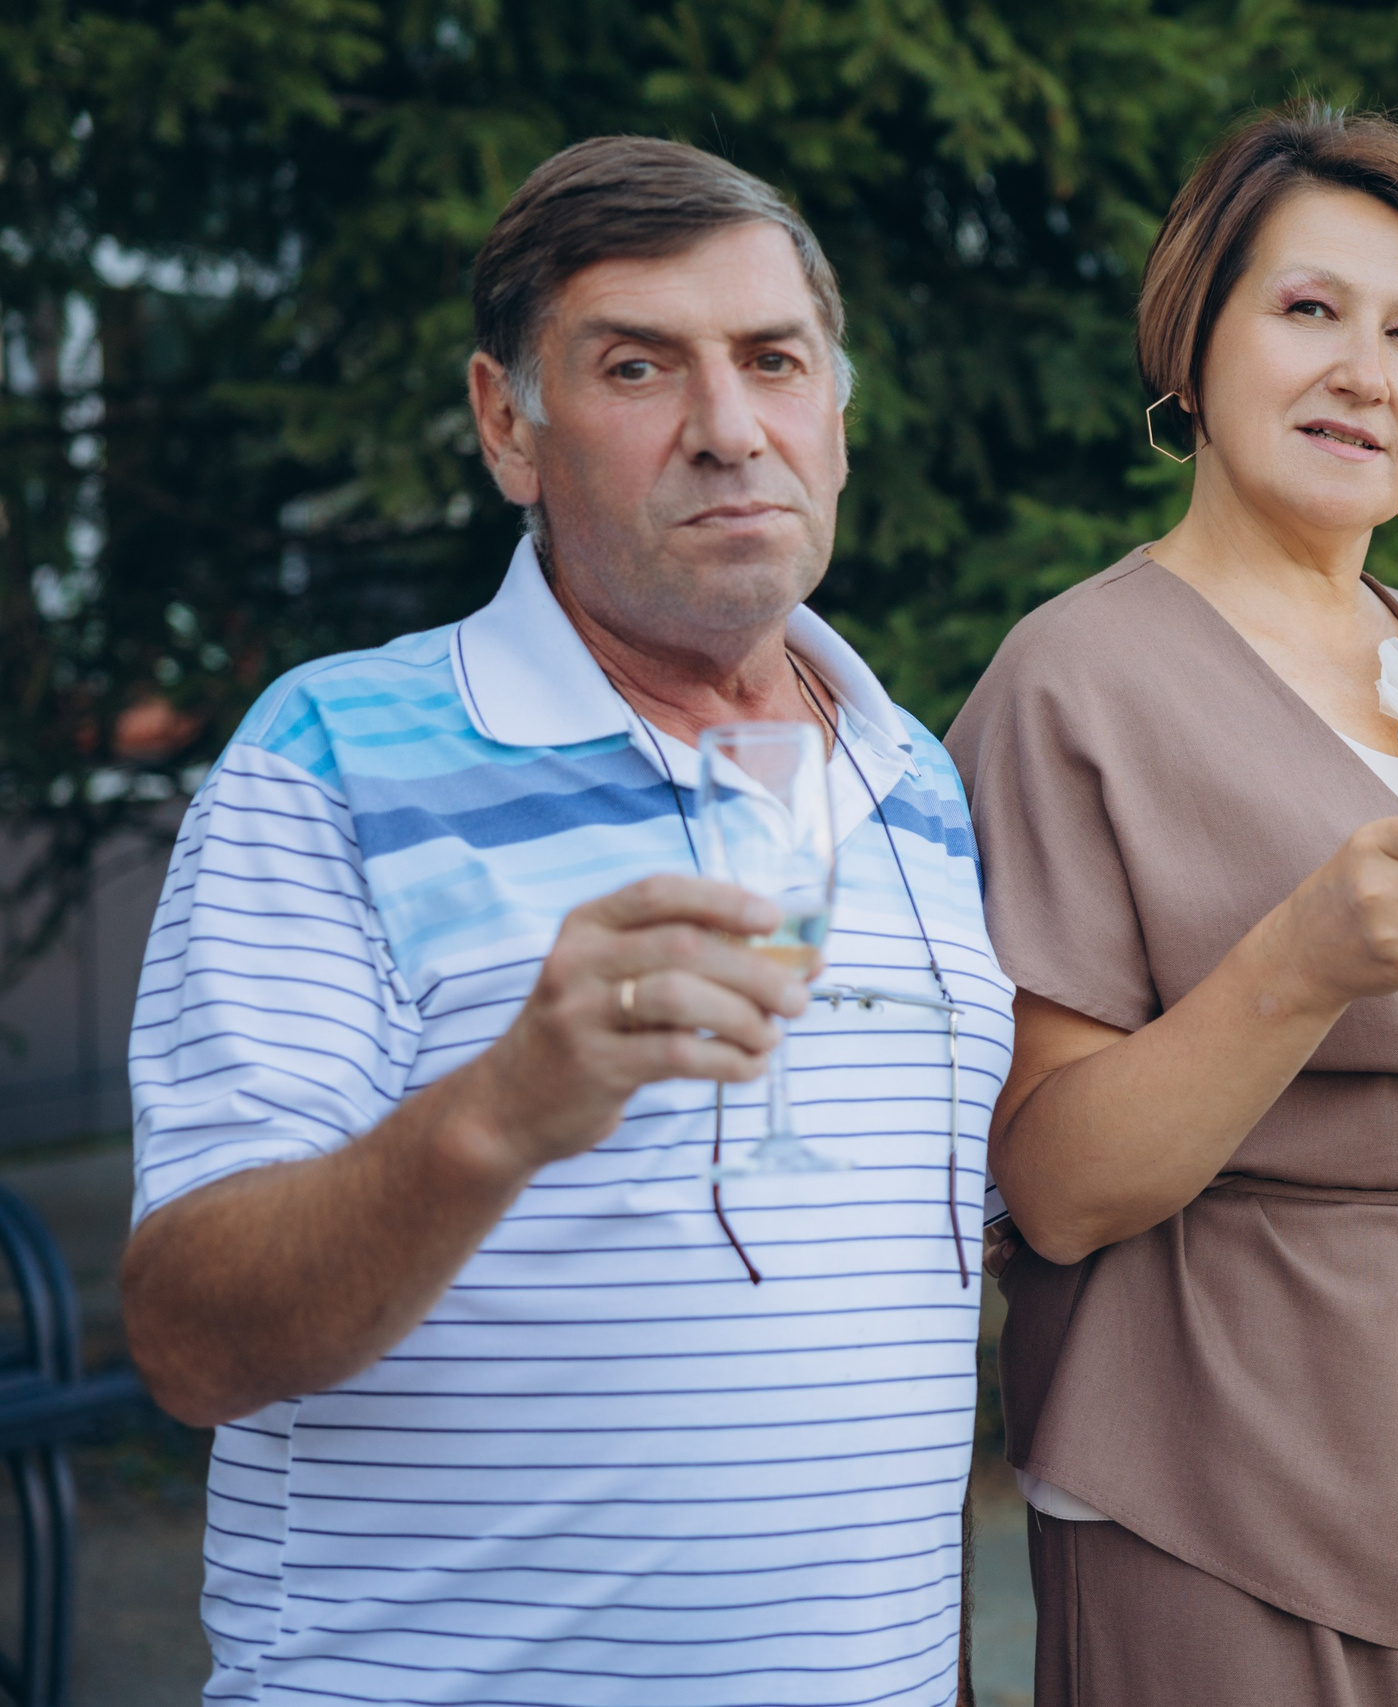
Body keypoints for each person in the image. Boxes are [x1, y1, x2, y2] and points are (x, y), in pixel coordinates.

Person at [120, 137, 1011, 1707]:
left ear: (838, 410)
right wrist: (500, 1114)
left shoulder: (916, 780)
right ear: (505, 426)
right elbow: (191, 1338)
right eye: (637, 368)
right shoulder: (333, 756)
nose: (731, 431)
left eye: (773, 361)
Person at [945, 104, 1398, 1706]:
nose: (1364, 374)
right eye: (1307, 310)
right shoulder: (1074, 679)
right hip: (1218, 1446)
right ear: (1193, 340)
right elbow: (1059, 1184)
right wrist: (1298, 965)